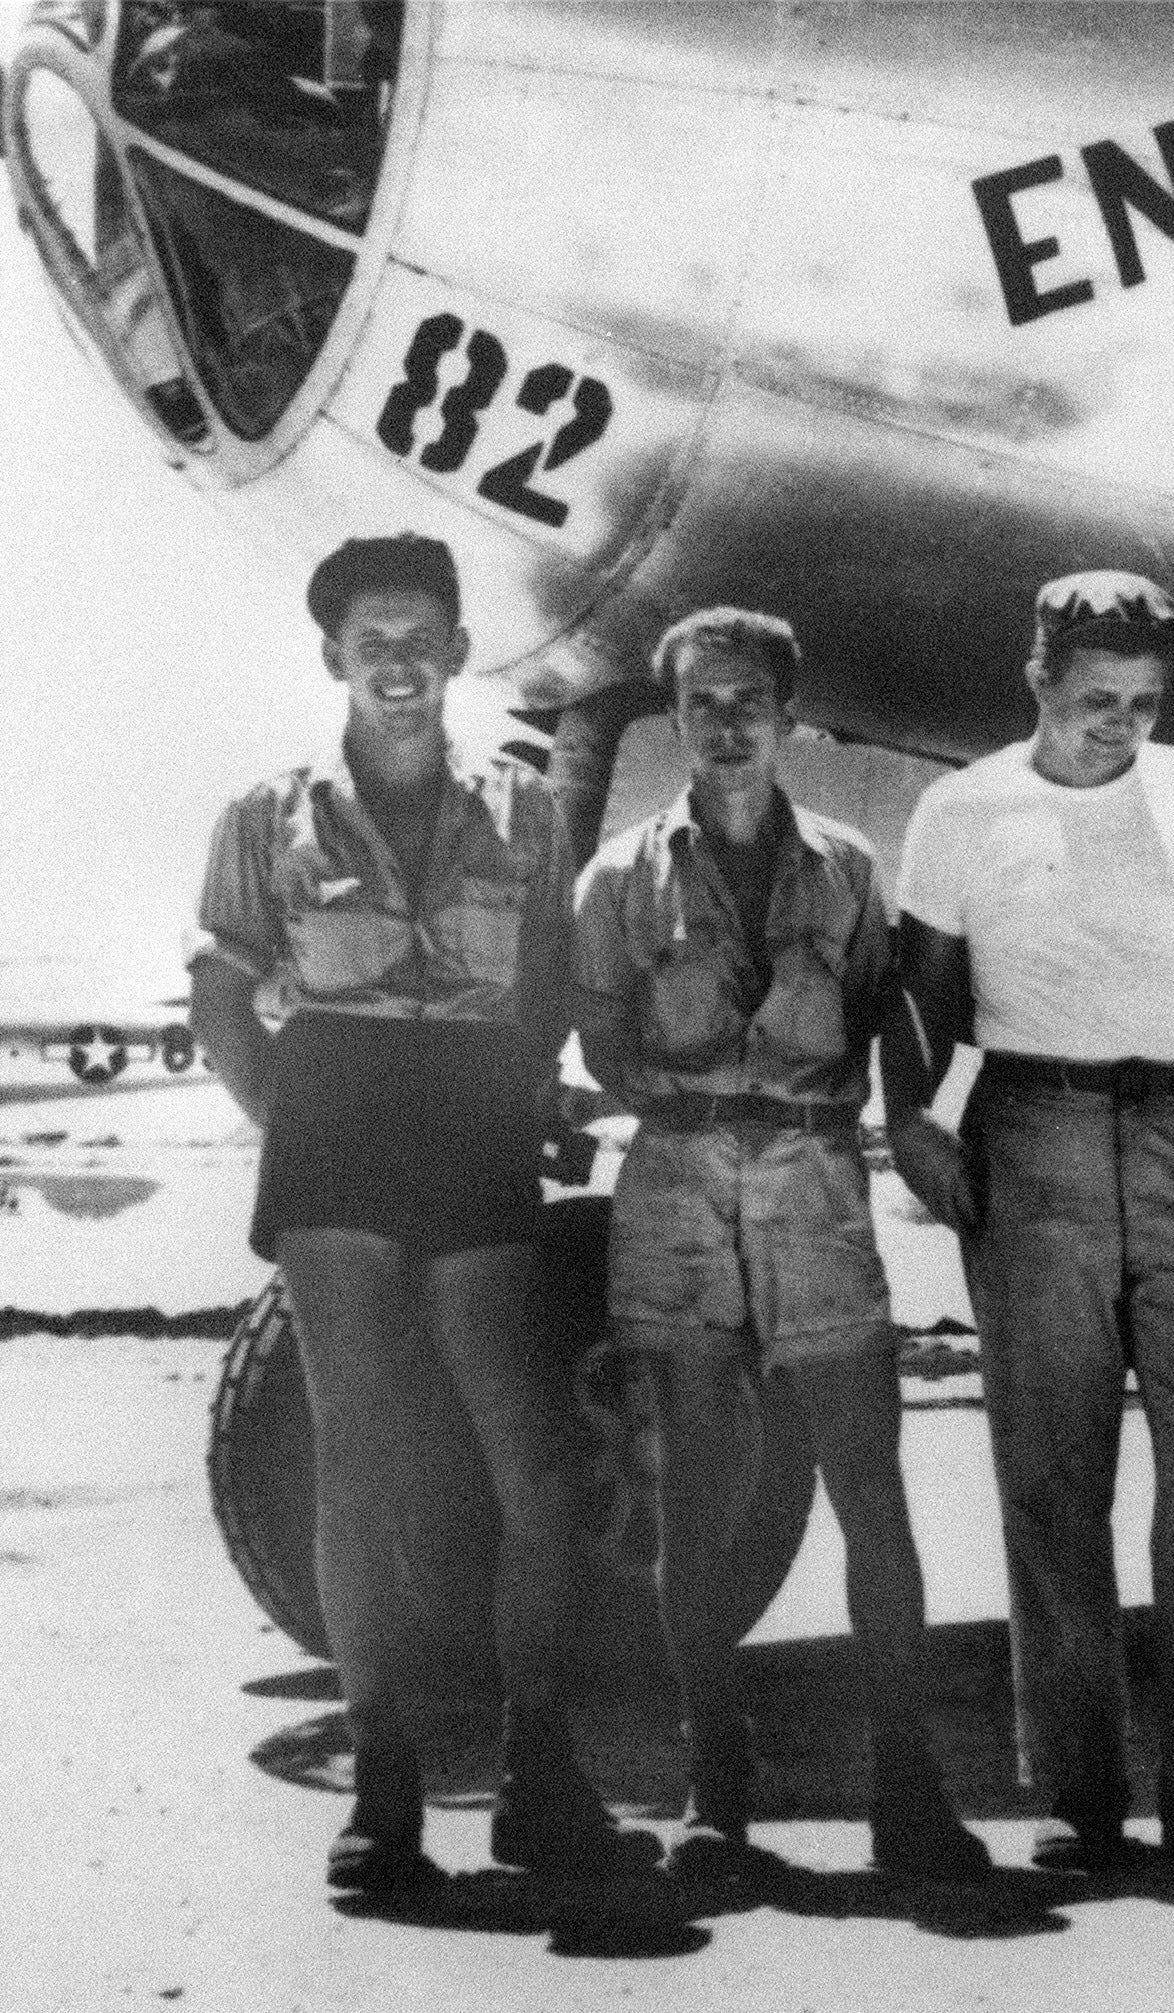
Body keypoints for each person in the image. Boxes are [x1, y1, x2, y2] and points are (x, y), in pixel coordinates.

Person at [189, 533, 656, 1890]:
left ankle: (536, 1768)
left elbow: (552, 983)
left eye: (421, 640)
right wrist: (290, 1121)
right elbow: (223, 982)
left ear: (458, 653)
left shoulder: (525, 809)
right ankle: (384, 1784)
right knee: (360, 1452)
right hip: (333, 1115)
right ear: (337, 659)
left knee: (528, 1452)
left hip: (469, 1116)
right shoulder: (267, 814)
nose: (398, 665)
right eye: (370, 643)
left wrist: (514, 1099)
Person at [889, 571, 1174, 1877]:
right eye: (1093, 700)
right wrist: (911, 1123)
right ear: (1038, 677)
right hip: (1036, 1140)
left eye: (1142, 702)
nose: (1119, 725)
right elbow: (924, 998)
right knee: (1053, 1482)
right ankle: (1082, 1803)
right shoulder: (961, 812)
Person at [571, 608, 986, 1881]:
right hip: (682, 1179)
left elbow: (891, 1023)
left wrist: (902, 1127)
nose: (730, 722)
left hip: (815, 1175)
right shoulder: (621, 880)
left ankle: (906, 1788)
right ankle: (717, 1800)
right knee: (699, 1496)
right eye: (704, 702)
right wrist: (689, 1105)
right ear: (678, 716)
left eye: (753, 699)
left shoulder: (853, 869)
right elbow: (599, 1035)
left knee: (872, 1482)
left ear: (790, 715)